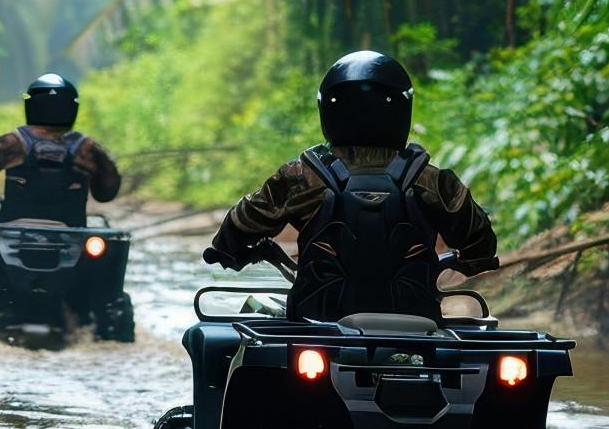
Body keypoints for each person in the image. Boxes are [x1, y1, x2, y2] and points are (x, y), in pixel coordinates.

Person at [205, 51, 497, 322]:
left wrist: (229, 248)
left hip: (317, 320)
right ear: (401, 108)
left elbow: (240, 222)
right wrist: (469, 260)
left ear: (329, 109)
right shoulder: (433, 180)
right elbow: (481, 241)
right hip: (416, 319)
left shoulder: (301, 177)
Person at [0, 73, 121, 227]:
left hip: (13, 230)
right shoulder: (87, 148)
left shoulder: (12, 142)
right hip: (71, 234)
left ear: (31, 105)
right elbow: (107, 192)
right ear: (71, 107)